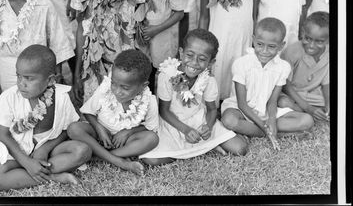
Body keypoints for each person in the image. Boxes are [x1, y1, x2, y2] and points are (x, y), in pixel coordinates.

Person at [140, 29, 247, 166]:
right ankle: (203, 149)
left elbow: (212, 110)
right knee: (152, 160)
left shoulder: (208, 80)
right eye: (189, 55)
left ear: (211, 62)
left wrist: (207, 127)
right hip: (173, 123)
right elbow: (164, 111)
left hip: (199, 120)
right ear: (181, 52)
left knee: (240, 148)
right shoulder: (167, 75)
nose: (194, 62)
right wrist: (185, 130)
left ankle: (201, 147)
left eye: (202, 59)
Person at [0, 45, 91, 190]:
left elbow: (66, 130)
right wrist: (27, 163)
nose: (21, 83)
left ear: (50, 80)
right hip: (17, 153)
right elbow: (4, 135)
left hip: (50, 152)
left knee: (83, 151)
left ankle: (29, 173)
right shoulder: (9, 97)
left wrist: (44, 149)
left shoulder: (61, 97)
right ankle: (54, 177)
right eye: (18, 76)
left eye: (28, 78)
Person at [221, 18, 314, 151]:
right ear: (253, 40)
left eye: (271, 46)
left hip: (264, 110)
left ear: (281, 46)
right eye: (259, 44)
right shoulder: (241, 64)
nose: (264, 51)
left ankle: (253, 131)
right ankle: (275, 133)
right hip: (240, 110)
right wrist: (265, 126)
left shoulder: (283, 67)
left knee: (307, 120)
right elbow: (242, 104)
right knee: (229, 120)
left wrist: (271, 119)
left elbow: (272, 101)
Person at [67, 49, 159, 175]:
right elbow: (88, 112)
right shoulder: (105, 89)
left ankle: (99, 156)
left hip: (124, 142)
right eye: (114, 84)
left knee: (152, 139)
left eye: (125, 88)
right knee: (74, 128)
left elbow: (151, 128)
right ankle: (119, 161)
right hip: (99, 136)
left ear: (143, 86)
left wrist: (128, 132)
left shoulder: (150, 101)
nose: (117, 91)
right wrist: (99, 128)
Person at [278, 12, 329, 122]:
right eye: (308, 38)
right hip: (292, 94)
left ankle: (313, 113)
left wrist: (329, 106)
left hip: (313, 96)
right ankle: (309, 113)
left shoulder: (328, 54)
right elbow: (284, 84)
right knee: (283, 103)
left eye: (319, 41)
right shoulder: (292, 52)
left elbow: (326, 84)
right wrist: (308, 108)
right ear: (302, 32)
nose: (311, 45)